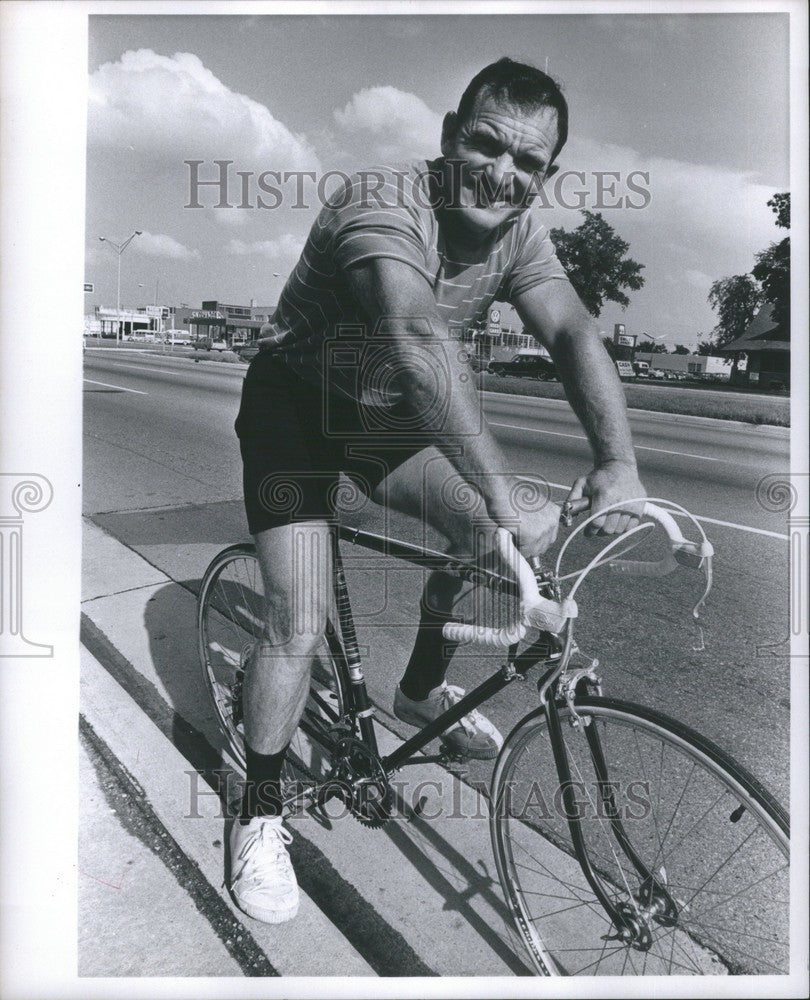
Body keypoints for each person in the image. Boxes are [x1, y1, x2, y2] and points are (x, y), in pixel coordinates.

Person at [230, 57, 645, 924]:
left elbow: (569, 329)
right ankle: (258, 809)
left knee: (489, 549)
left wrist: (619, 461)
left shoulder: (520, 232)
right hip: (296, 404)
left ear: (545, 176)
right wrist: (504, 490)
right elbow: (417, 336)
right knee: (298, 624)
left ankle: (418, 693)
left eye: (528, 164)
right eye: (487, 144)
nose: (504, 173)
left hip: (378, 416)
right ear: (452, 135)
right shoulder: (385, 199)